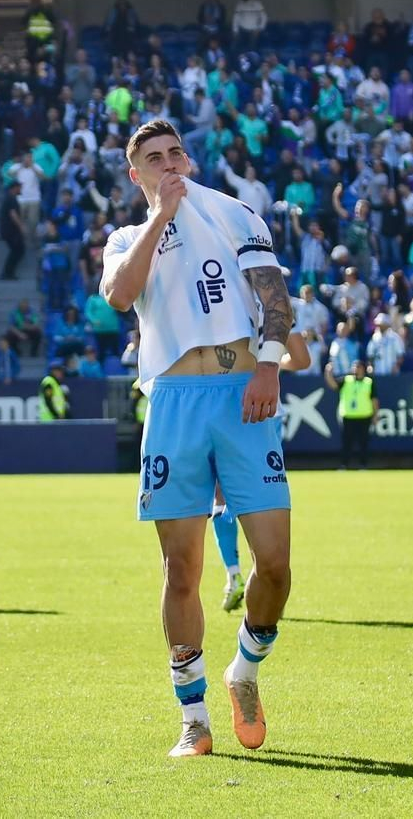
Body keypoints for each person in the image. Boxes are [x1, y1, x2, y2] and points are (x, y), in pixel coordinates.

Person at [99, 118, 294, 759]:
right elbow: (121, 296)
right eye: (153, 159)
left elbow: (274, 297)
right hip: (176, 401)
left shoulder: (235, 213)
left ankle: (246, 669)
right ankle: (194, 717)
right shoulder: (127, 236)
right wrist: (161, 216)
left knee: (275, 566)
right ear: (138, 175)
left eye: (175, 152)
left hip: (243, 394)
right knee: (180, 569)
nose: (169, 163)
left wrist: (267, 365)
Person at [212, 325, 311, 615]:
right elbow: (302, 360)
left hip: (223, 406)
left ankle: (233, 575)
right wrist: (271, 366)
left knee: (221, 496)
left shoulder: (218, 288)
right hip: (267, 411)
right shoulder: (277, 302)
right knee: (262, 499)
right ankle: (266, 582)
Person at [331, 357, 378, 469]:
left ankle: (363, 465)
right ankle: (344, 465)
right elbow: (333, 385)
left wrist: (376, 415)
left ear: (363, 369)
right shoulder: (346, 380)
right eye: (354, 366)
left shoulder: (369, 382)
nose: (356, 369)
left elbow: (374, 400)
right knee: (347, 443)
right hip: (348, 416)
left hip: (365, 416)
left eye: (358, 367)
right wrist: (328, 373)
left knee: (364, 443)